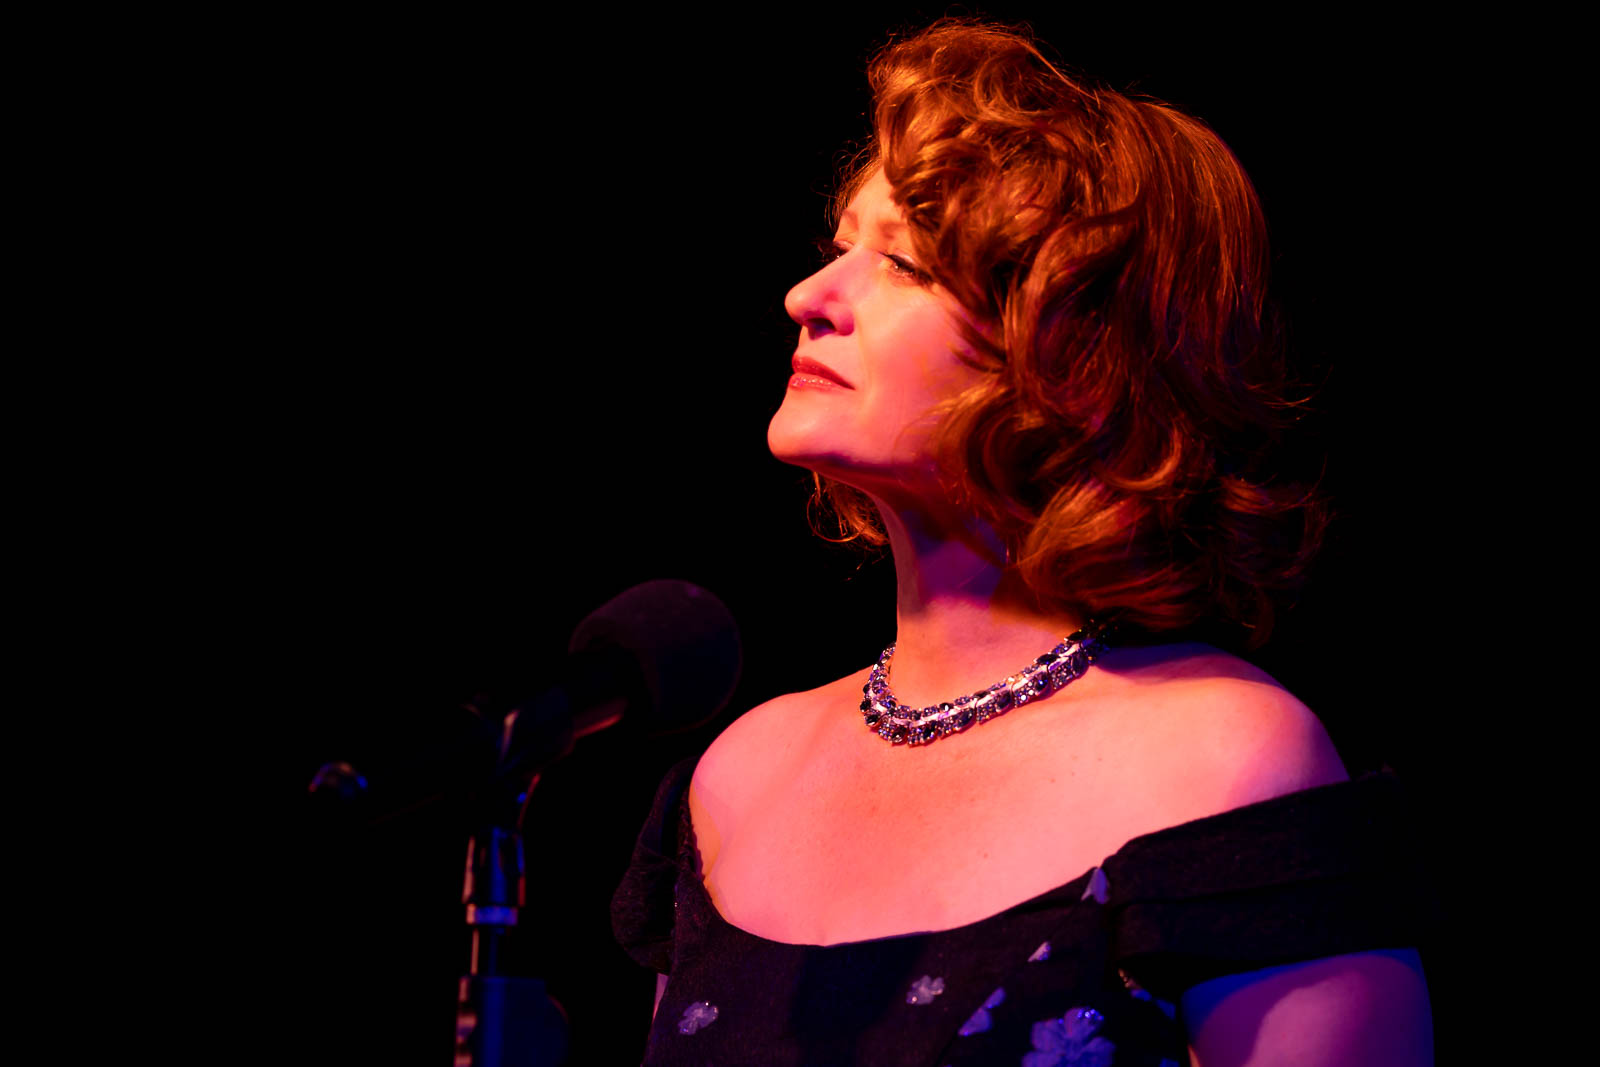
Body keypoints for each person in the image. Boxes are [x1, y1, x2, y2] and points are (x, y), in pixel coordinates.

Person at [613, 19, 1434, 1066]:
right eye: (837, 249)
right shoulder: (736, 780)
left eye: (902, 261)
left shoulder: (1226, 764)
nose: (809, 298)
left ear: (1073, 353)